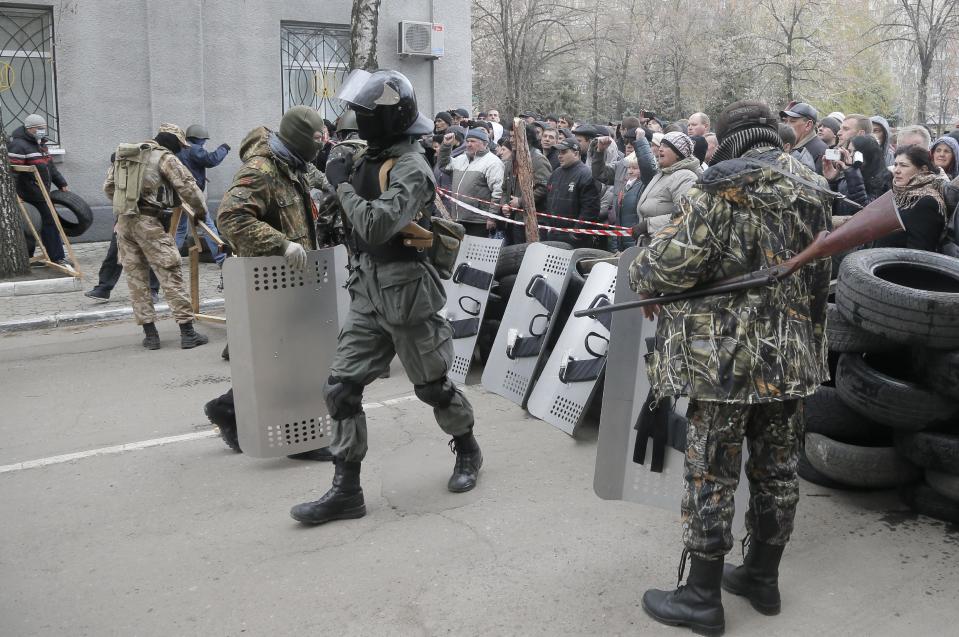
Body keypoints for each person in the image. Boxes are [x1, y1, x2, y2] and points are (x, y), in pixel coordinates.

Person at [633, 100, 831, 636]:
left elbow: (672, 263)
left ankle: (700, 597)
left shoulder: (720, 185)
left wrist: (641, 271)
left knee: (711, 473)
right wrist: (809, 349)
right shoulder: (812, 184)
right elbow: (820, 279)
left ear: (731, 138)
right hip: (789, 360)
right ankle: (762, 579)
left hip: (725, 361)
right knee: (777, 470)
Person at [290, 69, 481, 526]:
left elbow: (376, 224)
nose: (357, 119)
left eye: (366, 113)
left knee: (433, 388)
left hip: (408, 293)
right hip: (368, 289)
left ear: (391, 119)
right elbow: (348, 213)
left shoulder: (412, 166)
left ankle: (468, 450)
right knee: (341, 388)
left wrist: (341, 185)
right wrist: (330, 181)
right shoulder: (368, 158)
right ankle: (346, 490)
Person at [206, 106, 336, 460]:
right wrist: (281, 244)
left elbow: (320, 180)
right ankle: (297, 437)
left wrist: (340, 188)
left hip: (298, 278)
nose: (315, 153)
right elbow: (230, 218)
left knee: (286, 357)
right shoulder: (261, 171)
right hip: (271, 281)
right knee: (286, 359)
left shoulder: (293, 163)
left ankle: (229, 409)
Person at [102, 123, 209, 350]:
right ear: (173, 140)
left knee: (136, 280)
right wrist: (200, 212)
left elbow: (108, 188)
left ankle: (151, 336)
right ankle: (188, 333)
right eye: (180, 145)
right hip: (149, 223)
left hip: (124, 224)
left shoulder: (128, 155)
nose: (181, 149)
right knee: (170, 274)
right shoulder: (164, 158)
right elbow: (189, 188)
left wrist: (126, 209)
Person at [8, 113, 70, 265]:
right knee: (44, 222)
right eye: (40, 128)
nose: (43, 131)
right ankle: (56, 257)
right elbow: (12, 173)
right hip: (28, 193)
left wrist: (61, 183)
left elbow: (50, 167)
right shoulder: (18, 145)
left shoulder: (40, 144)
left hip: (41, 191)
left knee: (41, 223)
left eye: (44, 128)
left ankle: (35, 257)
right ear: (30, 128)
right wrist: (15, 195)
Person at [874, 144, 948, 252]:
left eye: (903, 165)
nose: (896, 170)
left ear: (923, 169)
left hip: (896, 266)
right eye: (895, 165)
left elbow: (920, 253)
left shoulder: (927, 202)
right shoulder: (900, 194)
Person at [174, 124, 230, 265]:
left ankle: (170, 260)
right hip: (191, 196)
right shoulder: (194, 149)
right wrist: (223, 149)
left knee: (179, 229)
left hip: (178, 195)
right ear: (198, 138)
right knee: (208, 226)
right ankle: (222, 260)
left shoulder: (180, 149)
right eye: (203, 140)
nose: (204, 143)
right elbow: (211, 160)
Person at [592, 130, 657, 249]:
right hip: (619, 234)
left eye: (634, 143)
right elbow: (600, 174)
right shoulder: (622, 165)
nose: (629, 146)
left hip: (637, 236)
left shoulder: (648, 175)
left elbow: (648, 170)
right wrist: (599, 152)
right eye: (626, 142)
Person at [631, 131, 701, 241]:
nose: (660, 149)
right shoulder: (662, 174)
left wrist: (648, 225)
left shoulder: (685, 177)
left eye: (666, 146)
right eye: (661, 145)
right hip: (654, 243)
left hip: (668, 247)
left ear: (678, 153)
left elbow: (687, 215)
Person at [438, 127, 504, 237]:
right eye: (467, 141)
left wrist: (492, 217)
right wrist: (446, 145)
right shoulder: (461, 159)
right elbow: (443, 165)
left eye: (473, 141)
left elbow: (498, 192)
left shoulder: (493, 163)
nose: (468, 144)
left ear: (484, 143)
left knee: (475, 253)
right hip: (458, 218)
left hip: (479, 221)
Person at [543, 137, 602, 248]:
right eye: (559, 152)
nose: (560, 155)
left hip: (575, 240)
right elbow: (548, 202)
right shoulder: (556, 173)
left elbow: (590, 210)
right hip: (554, 234)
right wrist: (549, 227)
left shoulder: (586, 174)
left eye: (564, 152)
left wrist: (576, 233)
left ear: (575, 153)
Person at [499, 124, 551, 245]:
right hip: (512, 220)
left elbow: (544, 188)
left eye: (514, 137)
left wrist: (521, 201)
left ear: (525, 138)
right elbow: (505, 189)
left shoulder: (538, 160)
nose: (510, 140)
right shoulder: (511, 160)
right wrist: (504, 205)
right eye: (510, 136)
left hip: (530, 222)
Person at [780, 102, 826, 169]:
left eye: (792, 121)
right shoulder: (791, 145)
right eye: (786, 121)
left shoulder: (821, 152)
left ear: (808, 125)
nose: (786, 125)